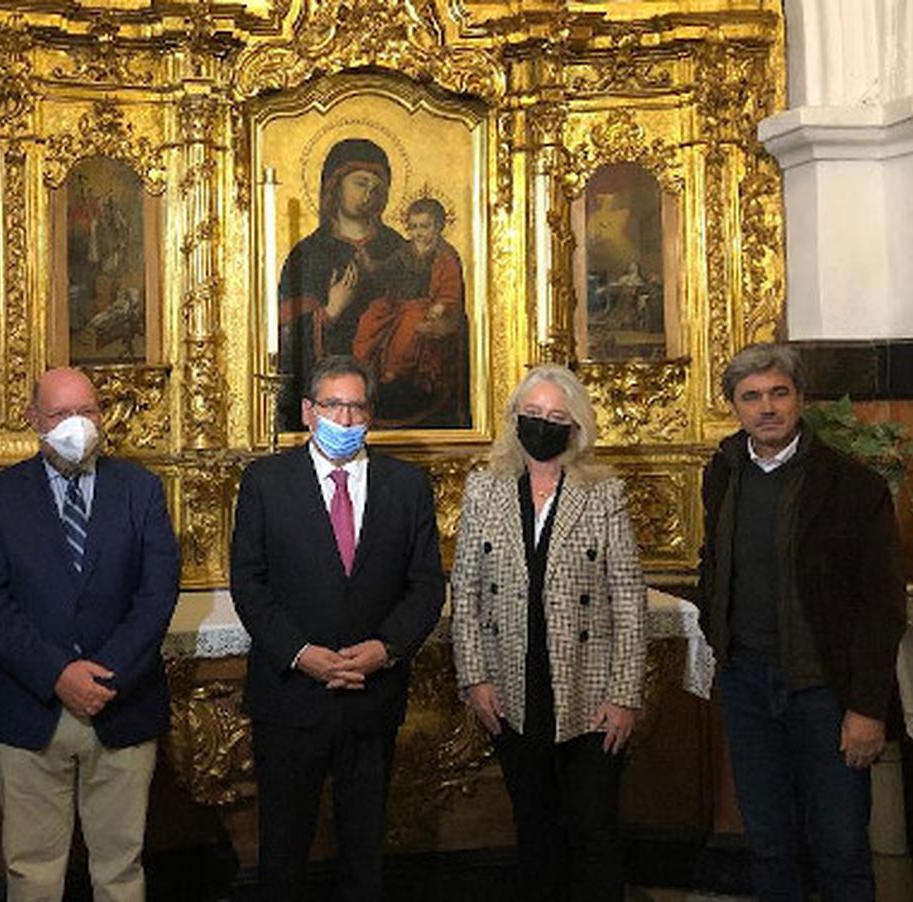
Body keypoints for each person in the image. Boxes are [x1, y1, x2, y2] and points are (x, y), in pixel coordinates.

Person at [0, 367, 181, 902]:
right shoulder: (0, 496)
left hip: (120, 702)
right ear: (34, 420)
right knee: (32, 870)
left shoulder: (140, 489)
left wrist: (103, 675)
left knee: (121, 868)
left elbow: (156, 595)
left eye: (87, 411)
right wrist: (57, 674)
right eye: (60, 415)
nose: (76, 425)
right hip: (30, 704)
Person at [229, 354, 445, 901]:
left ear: (371, 413)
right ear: (308, 411)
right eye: (333, 406)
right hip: (290, 697)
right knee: (282, 849)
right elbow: (249, 584)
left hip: (372, 696)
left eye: (357, 407)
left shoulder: (407, 486)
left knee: (366, 849)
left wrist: (386, 649)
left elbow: (425, 586)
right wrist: (301, 653)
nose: (345, 420)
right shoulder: (266, 482)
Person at [698, 343, 906, 900]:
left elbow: (882, 607)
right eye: (752, 397)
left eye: (778, 393)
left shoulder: (853, 486)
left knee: (840, 847)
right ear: (735, 407)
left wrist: (867, 708)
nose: (766, 407)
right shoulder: (722, 473)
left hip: (826, 694)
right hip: (747, 685)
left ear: (800, 399)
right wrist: (722, 642)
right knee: (769, 843)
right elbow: (713, 563)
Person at [450, 365, 647, 901]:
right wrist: (475, 677)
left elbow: (629, 597)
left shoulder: (603, 493)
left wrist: (624, 695)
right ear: (515, 419)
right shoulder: (485, 488)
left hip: (589, 693)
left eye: (556, 417)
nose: (542, 425)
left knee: (594, 831)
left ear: (576, 426)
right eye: (532, 415)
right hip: (512, 688)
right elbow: (464, 590)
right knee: (534, 830)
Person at [275, 139, 408, 430]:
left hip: (393, 390)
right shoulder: (309, 253)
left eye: (378, 187)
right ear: (336, 186)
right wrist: (330, 312)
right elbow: (284, 338)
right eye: (361, 183)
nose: (370, 193)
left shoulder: (399, 248)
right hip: (331, 403)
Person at [351, 197, 467, 427]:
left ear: (439, 226)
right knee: (370, 318)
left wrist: (441, 305)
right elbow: (385, 270)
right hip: (396, 303)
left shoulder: (445, 255)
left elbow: (451, 287)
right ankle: (363, 368)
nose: (418, 233)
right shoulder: (405, 250)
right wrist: (368, 264)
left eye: (425, 226)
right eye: (413, 227)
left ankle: (394, 371)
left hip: (424, 306)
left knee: (409, 327)